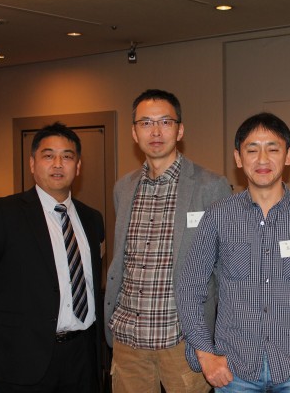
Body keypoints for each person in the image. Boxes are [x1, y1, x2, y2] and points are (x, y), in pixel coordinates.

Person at [176, 112, 290, 393]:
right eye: (252, 150)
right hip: (234, 373)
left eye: (273, 149)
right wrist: (204, 353)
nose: (262, 159)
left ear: (288, 155)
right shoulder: (218, 216)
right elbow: (189, 288)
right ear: (238, 158)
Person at [0, 123, 105, 392]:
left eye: (67, 156)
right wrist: (14, 318)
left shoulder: (92, 218)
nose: (58, 164)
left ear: (78, 166)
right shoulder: (3, 213)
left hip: (82, 358)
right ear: (32, 163)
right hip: (21, 357)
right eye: (48, 155)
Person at [104, 89, 232, 393]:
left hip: (183, 341)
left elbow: (227, 269)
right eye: (146, 123)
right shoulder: (123, 188)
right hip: (128, 339)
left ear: (180, 130)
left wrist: (222, 341)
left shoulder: (211, 186)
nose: (156, 131)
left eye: (165, 122)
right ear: (134, 133)